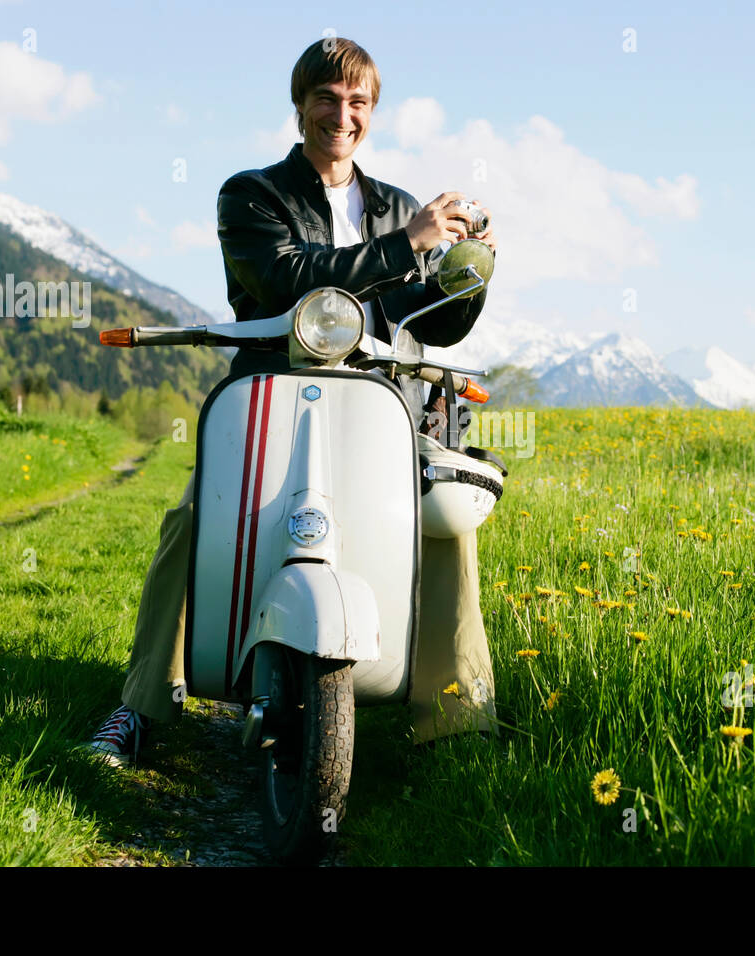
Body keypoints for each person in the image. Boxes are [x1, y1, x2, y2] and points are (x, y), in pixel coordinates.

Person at [82, 37, 500, 765]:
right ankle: (142, 703)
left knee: (447, 523)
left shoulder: (397, 205)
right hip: (273, 391)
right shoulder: (252, 194)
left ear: (373, 111)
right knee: (191, 517)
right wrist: (407, 245)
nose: (343, 115)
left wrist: (470, 269)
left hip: (382, 403)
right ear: (301, 104)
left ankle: (455, 722)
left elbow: (426, 319)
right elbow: (285, 281)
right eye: (328, 99)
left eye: (358, 102)